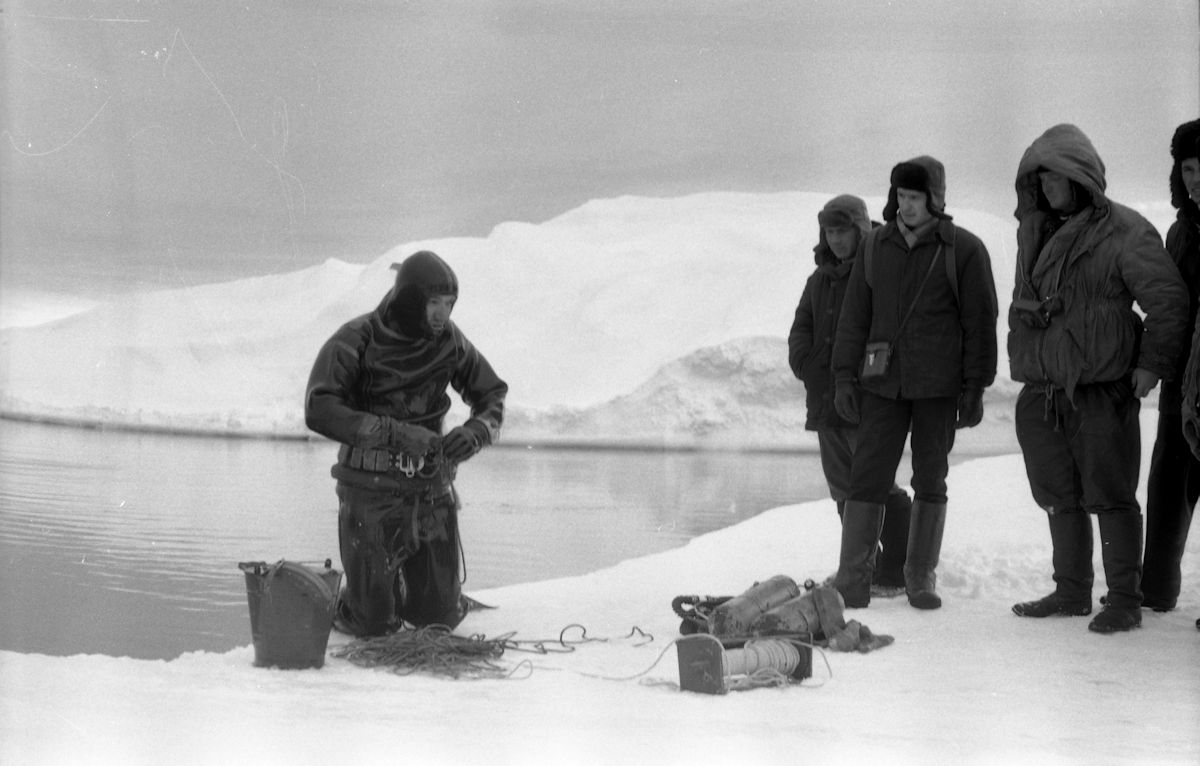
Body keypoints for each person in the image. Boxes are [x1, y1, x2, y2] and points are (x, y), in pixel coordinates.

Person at [1008, 124, 1188, 634]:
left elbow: (1168, 301)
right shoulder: (1033, 231)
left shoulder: (1125, 231)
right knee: (1057, 494)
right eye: (1038, 180)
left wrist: (1151, 366)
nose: (1045, 189)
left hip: (1099, 390)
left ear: (1080, 177)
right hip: (1042, 390)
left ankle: (1125, 600)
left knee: (1110, 493)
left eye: (1055, 179)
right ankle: (1070, 592)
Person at [304, 250, 508, 636]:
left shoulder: (451, 341)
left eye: (449, 304)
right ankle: (354, 599)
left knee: (439, 619)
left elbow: (493, 394)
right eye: (434, 303)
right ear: (410, 298)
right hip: (370, 492)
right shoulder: (356, 339)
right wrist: (393, 434)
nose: (442, 314)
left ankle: (423, 594)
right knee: (374, 624)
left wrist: (476, 432)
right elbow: (319, 406)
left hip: (431, 489)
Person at [830, 156, 998, 610]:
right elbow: (854, 318)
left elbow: (980, 324)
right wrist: (844, 376)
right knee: (866, 477)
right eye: (901, 197)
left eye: (915, 198)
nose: (906, 207)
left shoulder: (964, 249)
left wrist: (975, 387)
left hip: (938, 388)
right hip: (882, 386)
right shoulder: (874, 247)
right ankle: (852, 579)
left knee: (931, 477)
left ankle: (919, 576)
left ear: (935, 200)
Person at [788, 194, 913, 596]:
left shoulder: (879, 271)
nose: (837, 238)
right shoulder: (819, 280)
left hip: (867, 400)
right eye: (830, 230)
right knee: (843, 487)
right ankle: (864, 566)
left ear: (861, 229)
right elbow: (800, 330)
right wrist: (807, 365)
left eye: (844, 229)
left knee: (877, 485)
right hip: (826, 401)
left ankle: (895, 569)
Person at [1146, 119, 1200, 614]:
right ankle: (1156, 592)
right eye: (1188, 168)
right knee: (1167, 488)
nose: (1196, 179)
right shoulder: (1178, 233)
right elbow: (1166, 306)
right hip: (1179, 382)